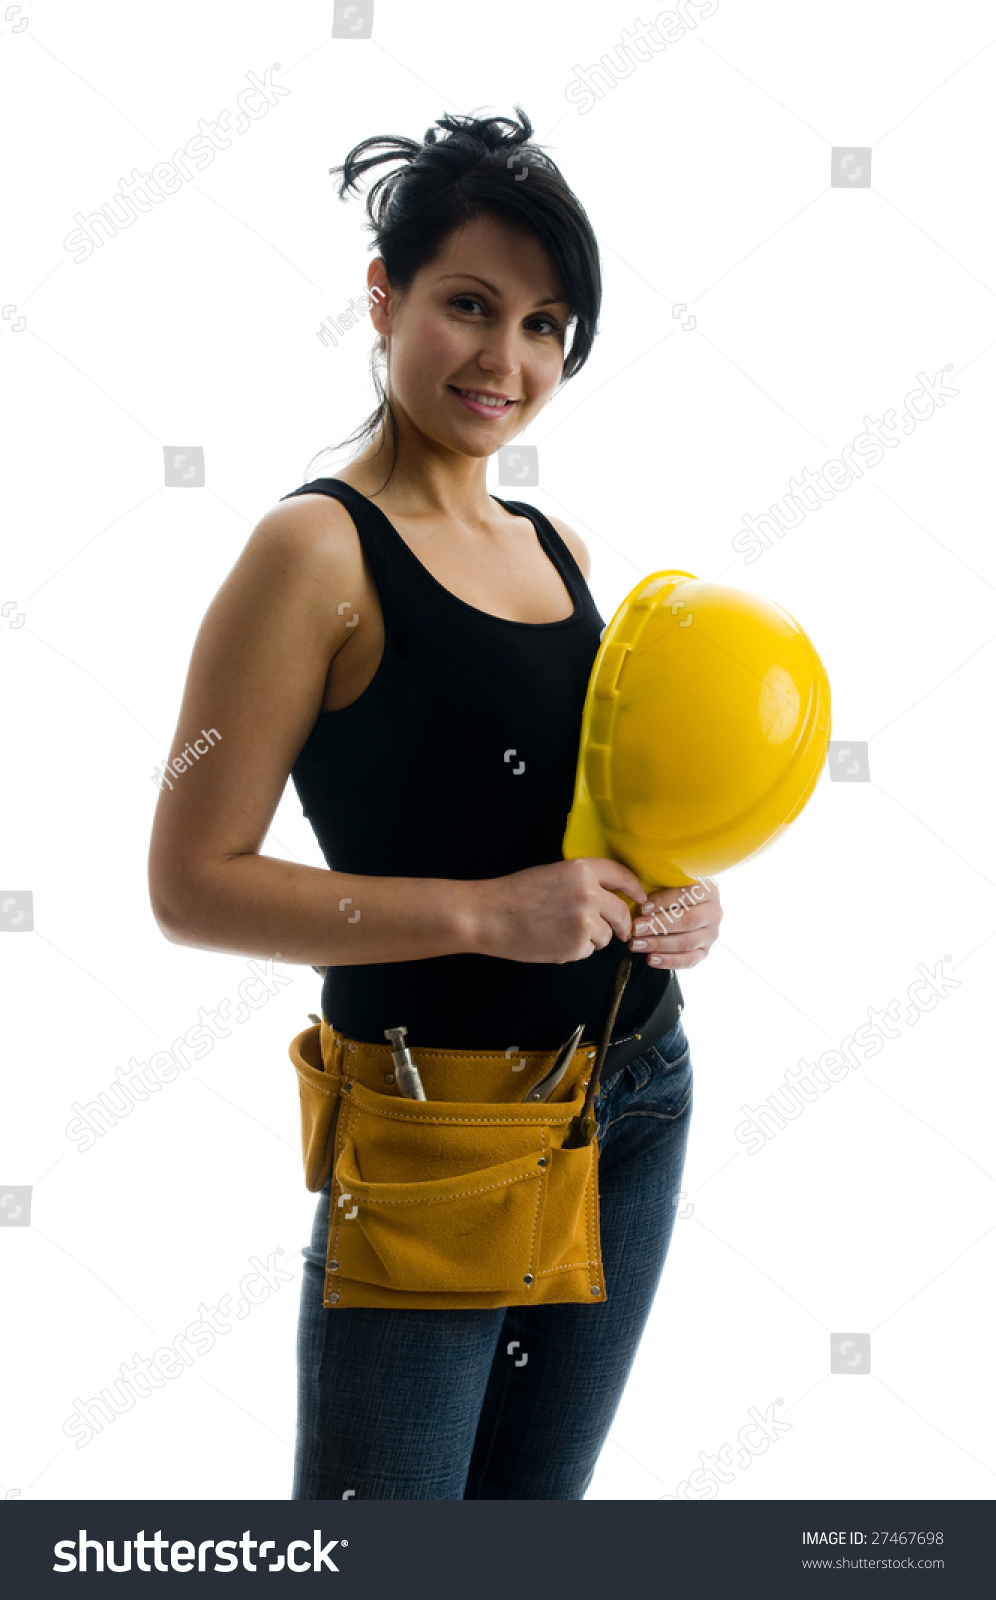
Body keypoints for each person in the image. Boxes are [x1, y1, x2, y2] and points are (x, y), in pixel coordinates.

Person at [147, 106, 723, 1500]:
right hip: (433, 1130)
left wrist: (669, 895)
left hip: (631, 1090)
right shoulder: (314, 550)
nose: (506, 358)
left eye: (546, 325)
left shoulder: (557, 547)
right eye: (470, 305)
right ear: (385, 298)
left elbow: (579, 822)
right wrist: (483, 915)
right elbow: (192, 879)